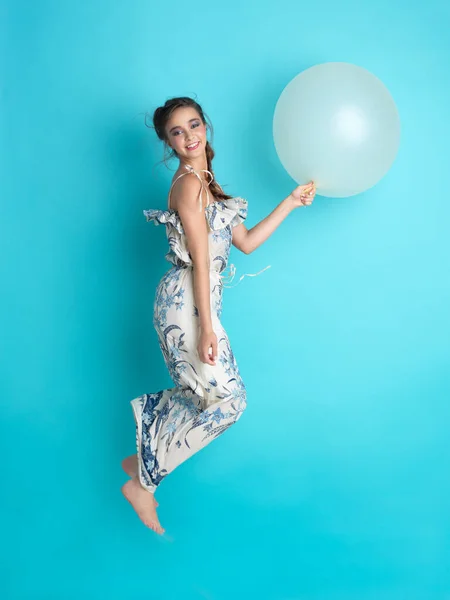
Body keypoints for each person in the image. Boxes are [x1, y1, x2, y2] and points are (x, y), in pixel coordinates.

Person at [121, 96, 316, 534]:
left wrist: (289, 201)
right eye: (177, 132)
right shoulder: (188, 184)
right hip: (186, 302)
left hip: (200, 301)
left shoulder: (206, 180)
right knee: (228, 401)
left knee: (223, 399)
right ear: (168, 143)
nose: (189, 136)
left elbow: (244, 243)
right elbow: (200, 256)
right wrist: (208, 325)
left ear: (205, 127)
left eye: (194, 125)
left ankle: (146, 458)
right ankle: (143, 479)